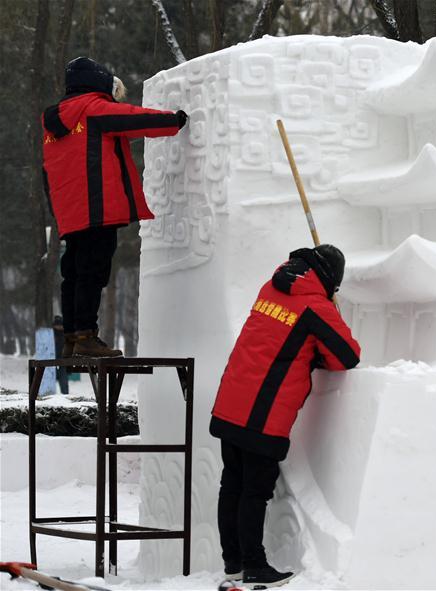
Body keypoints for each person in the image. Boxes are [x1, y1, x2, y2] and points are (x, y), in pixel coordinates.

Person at [209, 245, 361, 589]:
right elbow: (348, 355)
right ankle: (254, 566)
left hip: (231, 399)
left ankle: (233, 562)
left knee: (231, 484)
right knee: (255, 491)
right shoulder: (315, 306)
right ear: (330, 280)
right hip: (264, 411)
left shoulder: (271, 287)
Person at [42, 57, 188, 358]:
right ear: (97, 82)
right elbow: (133, 118)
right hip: (97, 209)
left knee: (73, 272)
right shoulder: (92, 109)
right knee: (93, 272)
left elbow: (48, 171)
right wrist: (173, 121)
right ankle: (86, 336)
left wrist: (58, 213)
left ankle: (71, 336)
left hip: (70, 213)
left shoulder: (56, 123)